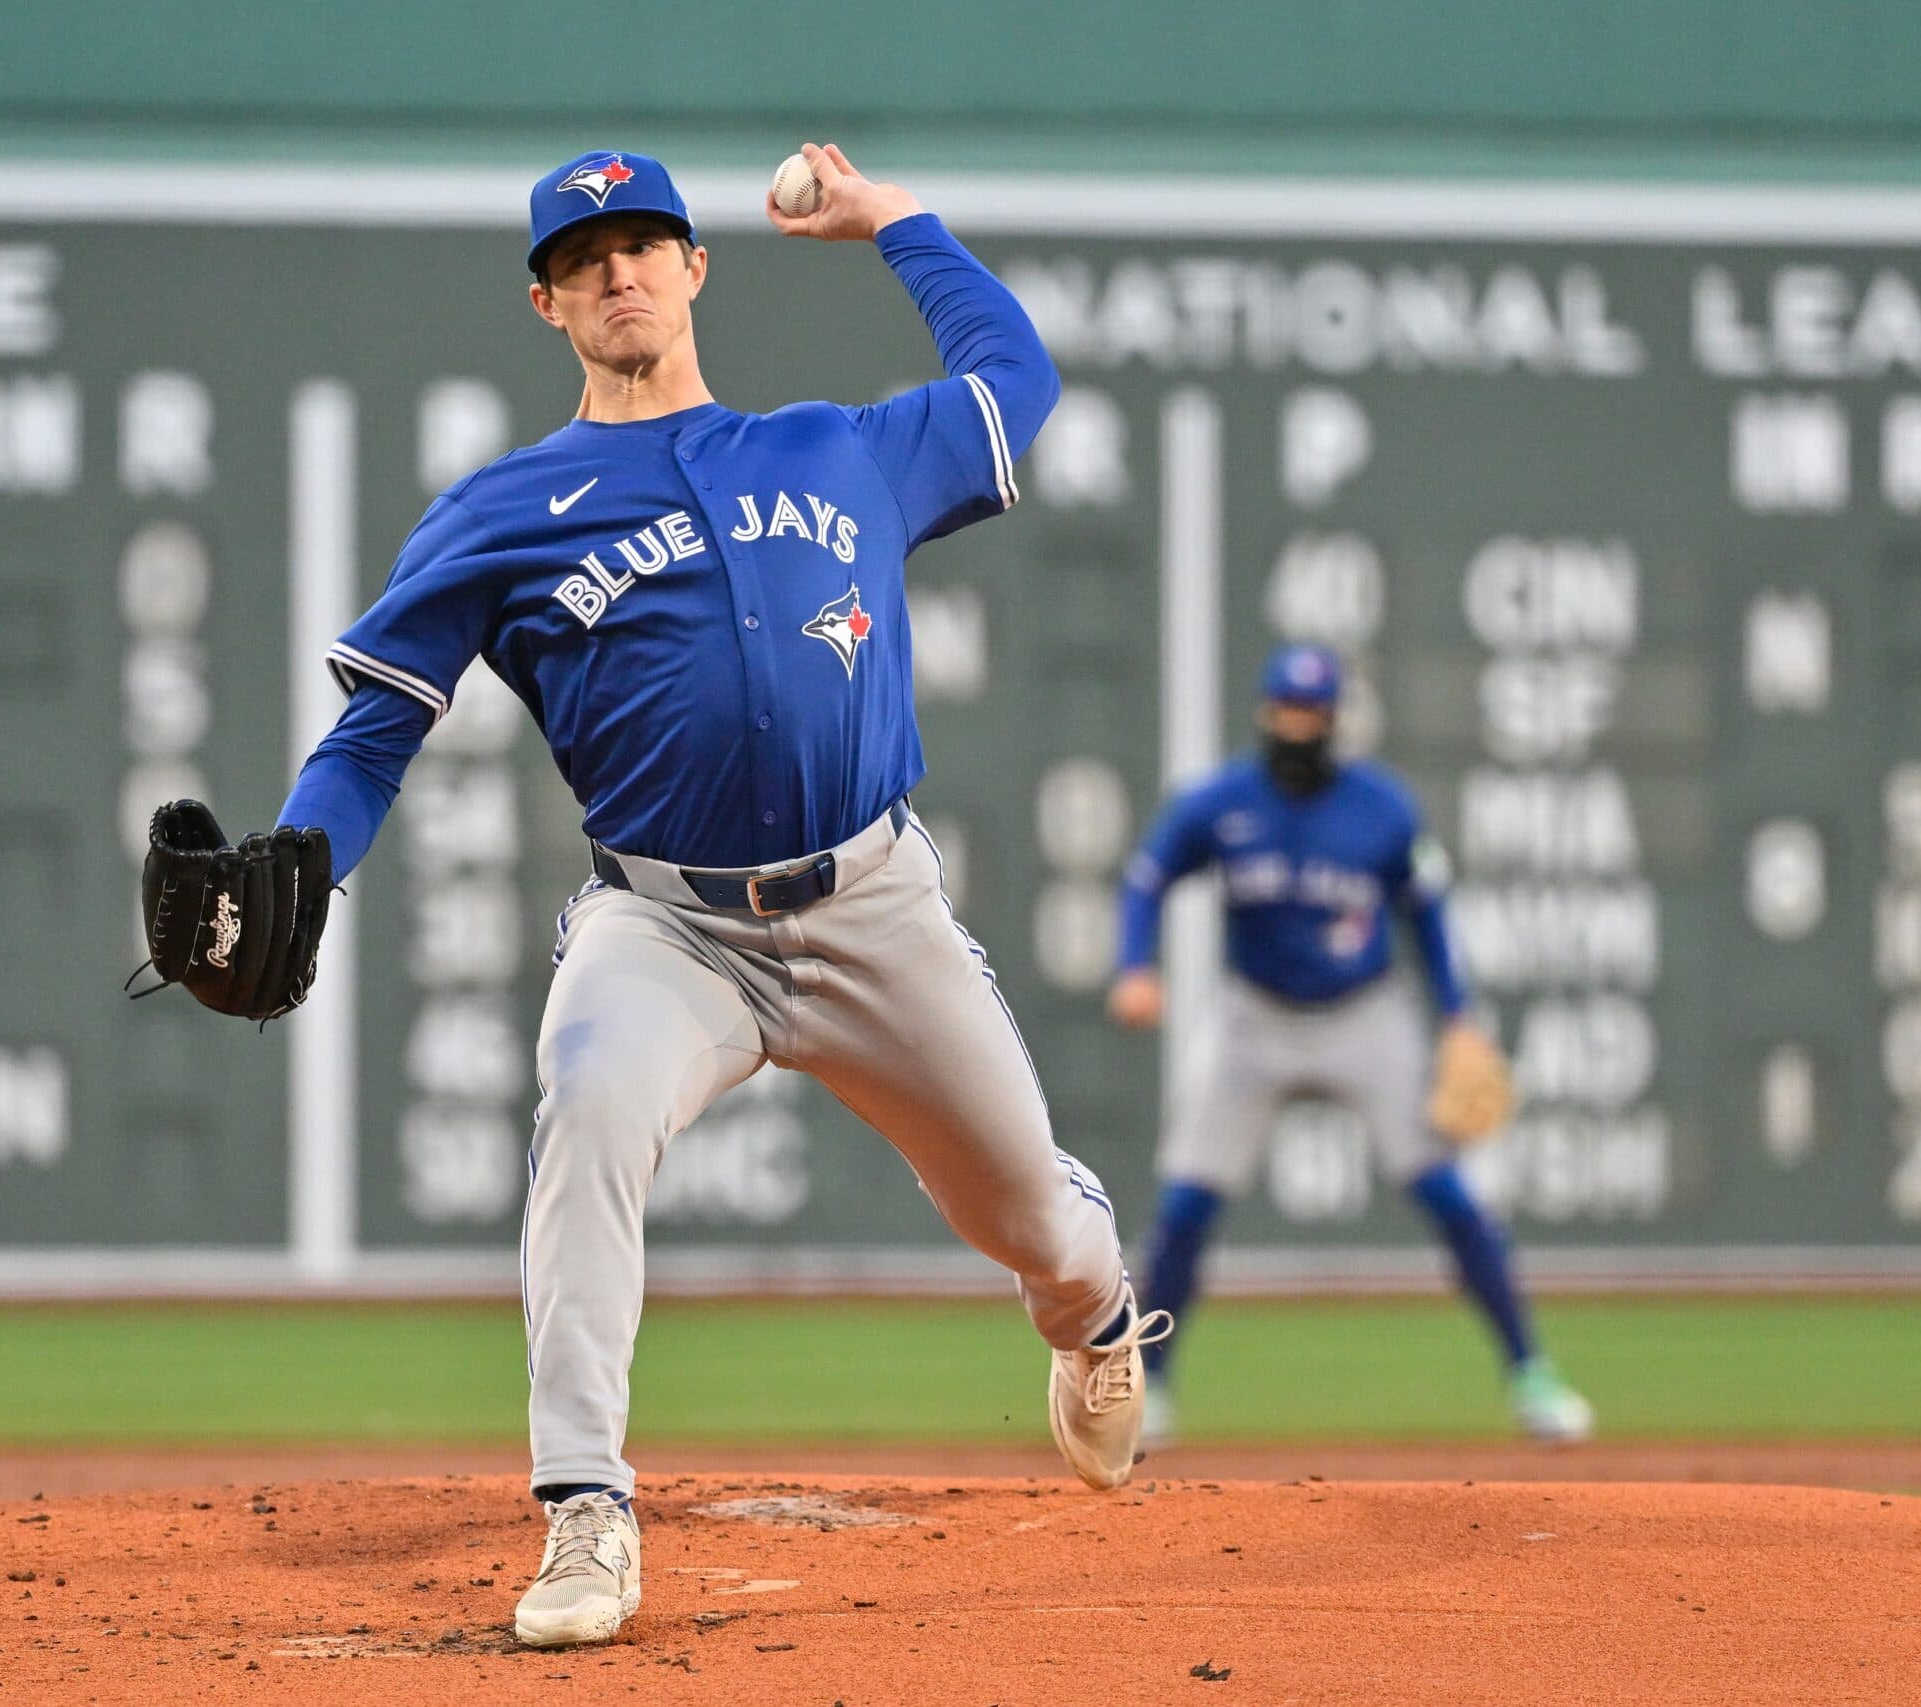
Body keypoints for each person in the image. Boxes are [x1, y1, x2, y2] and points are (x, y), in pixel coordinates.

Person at [275, 144, 1162, 1649]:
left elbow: (1017, 378)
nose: (620, 268)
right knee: (589, 1100)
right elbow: (376, 726)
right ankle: (584, 1508)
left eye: (646, 242)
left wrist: (895, 220)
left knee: (1027, 1210)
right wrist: (303, 856)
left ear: (697, 268)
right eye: (587, 254)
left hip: (871, 899)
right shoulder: (502, 508)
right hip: (664, 922)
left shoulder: (840, 450)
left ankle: (1092, 1319)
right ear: (548, 301)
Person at [1107, 642, 1594, 1450]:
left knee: (1449, 1197)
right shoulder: (1224, 801)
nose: (1295, 726)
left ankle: (1531, 1373)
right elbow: (1148, 875)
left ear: (1334, 720)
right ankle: (1149, 1387)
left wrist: (1460, 1015)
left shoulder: (1383, 808)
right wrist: (1134, 964)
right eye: (1283, 711)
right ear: (1265, 713)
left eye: (1311, 713)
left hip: (1364, 1016)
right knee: (1187, 1205)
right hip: (1253, 1018)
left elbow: (1428, 917)